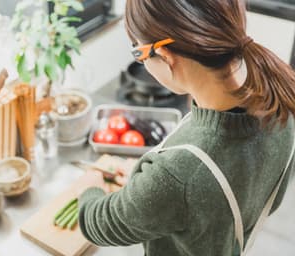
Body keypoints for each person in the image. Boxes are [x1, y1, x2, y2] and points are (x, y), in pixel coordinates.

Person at [78, 1, 295, 255]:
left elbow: (100, 223)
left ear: (166, 56)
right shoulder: (281, 102)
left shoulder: (177, 175)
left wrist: (90, 188)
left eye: (138, 53)